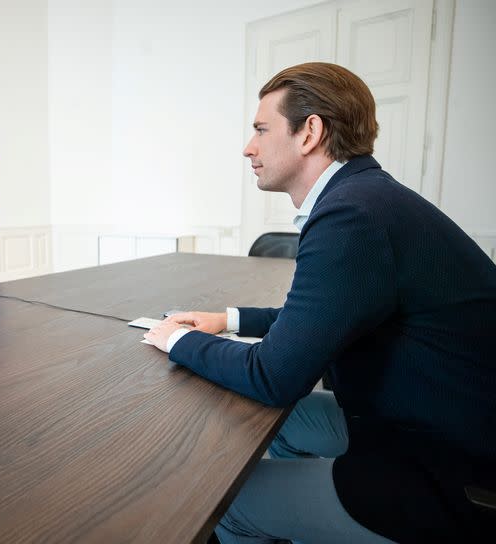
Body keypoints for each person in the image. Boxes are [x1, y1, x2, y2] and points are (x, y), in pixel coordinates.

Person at [143, 62, 496, 543]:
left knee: (225, 505)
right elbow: (324, 319)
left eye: (262, 129)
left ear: (309, 132)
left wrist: (176, 339)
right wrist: (227, 319)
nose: (249, 147)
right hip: (431, 425)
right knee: (285, 427)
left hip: (442, 471)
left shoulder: (352, 216)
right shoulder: (367, 198)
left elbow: (272, 378)